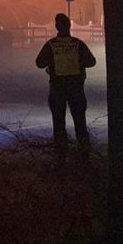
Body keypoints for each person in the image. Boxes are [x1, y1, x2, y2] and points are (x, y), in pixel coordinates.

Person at [35, 12, 96, 158]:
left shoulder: (51, 45)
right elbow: (91, 61)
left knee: (58, 123)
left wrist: (53, 63)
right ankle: (85, 156)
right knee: (80, 123)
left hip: (57, 89)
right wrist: (77, 63)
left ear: (57, 27)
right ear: (69, 26)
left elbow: (39, 63)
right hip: (76, 88)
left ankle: (60, 156)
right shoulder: (78, 44)